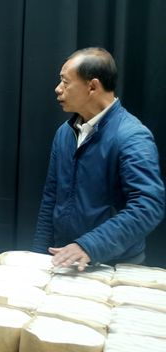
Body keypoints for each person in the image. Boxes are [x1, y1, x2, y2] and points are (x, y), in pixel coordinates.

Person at [32, 47, 165, 270]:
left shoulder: (131, 135)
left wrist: (89, 246)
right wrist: (37, 255)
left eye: (65, 82)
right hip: (65, 259)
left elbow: (148, 205)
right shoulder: (64, 133)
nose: (58, 88)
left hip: (113, 266)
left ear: (92, 86)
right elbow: (51, 198)